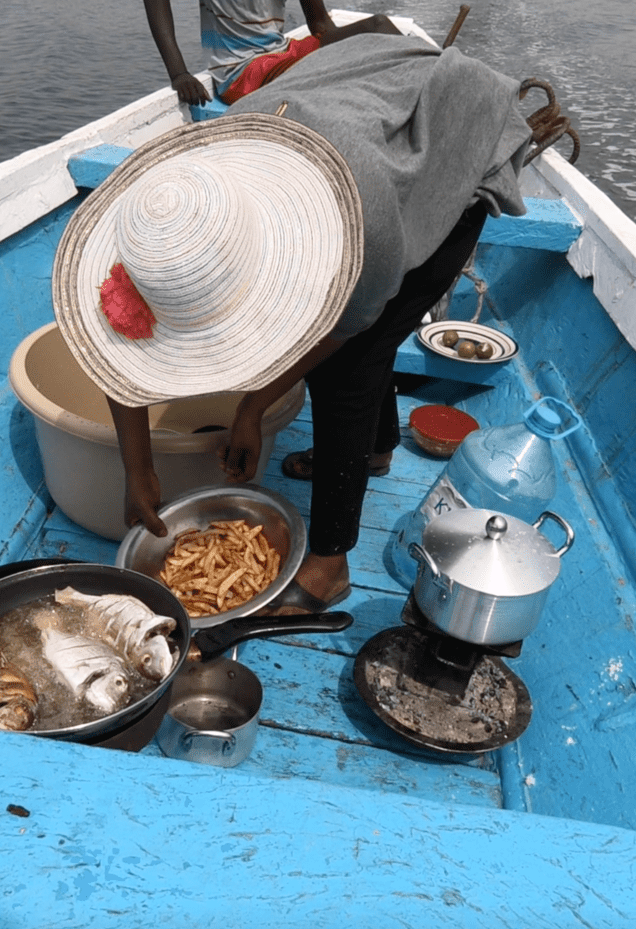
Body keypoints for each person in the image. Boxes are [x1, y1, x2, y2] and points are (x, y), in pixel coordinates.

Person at [51, 34, 537, 613]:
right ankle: (376, 449)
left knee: (355, 363)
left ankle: (332, 564)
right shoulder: (166, 217)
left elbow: (356, 324)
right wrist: (139, 470)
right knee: (360, 353)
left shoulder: (360, 220)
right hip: (345, 94)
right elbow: (117, 343)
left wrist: (252, 408)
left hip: (452, 125)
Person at [142, 0, 400, 106]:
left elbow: (321, 26)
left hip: (284, 55)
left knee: (378, 27)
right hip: (242, 72)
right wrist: (179, 72)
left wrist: (362, 38)